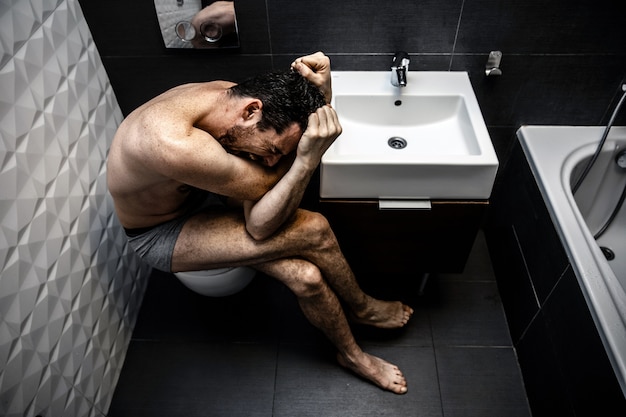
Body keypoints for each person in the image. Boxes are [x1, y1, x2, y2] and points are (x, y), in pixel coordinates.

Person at [107, 52, 413, 394]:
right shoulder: (170, 141)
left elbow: (257, 213)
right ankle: (358, 336)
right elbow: (259, 213)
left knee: (309, 272)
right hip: (161, 231)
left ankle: (358, 317)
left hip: (203, 192)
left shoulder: (231, 103)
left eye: (278, 155)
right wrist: (307, 156)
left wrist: (319, 103)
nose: (270, 160)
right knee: (312, 241)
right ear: (252, 111)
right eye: (273, 149)